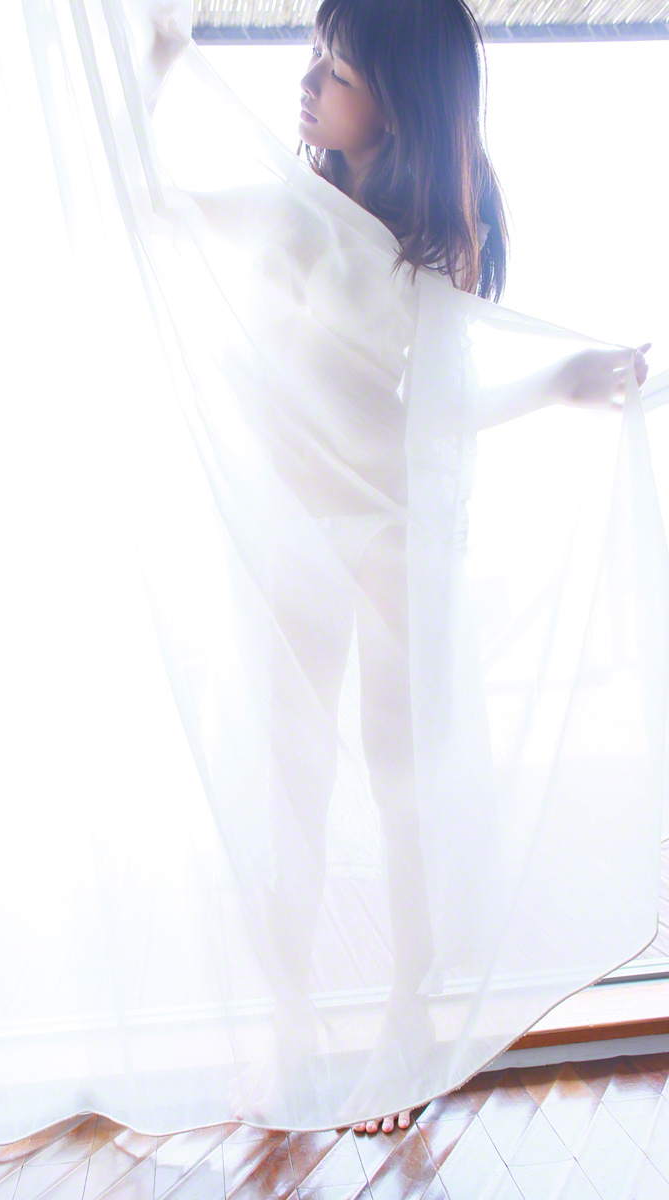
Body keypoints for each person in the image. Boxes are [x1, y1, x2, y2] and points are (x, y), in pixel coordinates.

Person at [288, 0, 650, 1136]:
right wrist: (150, 72)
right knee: (292, 767)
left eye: (336, 70)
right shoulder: (301, 197)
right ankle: (286, 1022)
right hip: (298, 515)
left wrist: (559, 383)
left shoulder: (438, 237)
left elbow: (436, 416)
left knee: (400, 773)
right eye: (313, 56)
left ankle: (407, 1021)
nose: (308, 82)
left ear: (397, 107)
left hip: (392, 524)